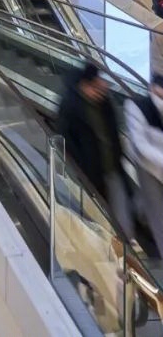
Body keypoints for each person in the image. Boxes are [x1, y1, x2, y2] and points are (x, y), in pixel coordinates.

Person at [57, 63, 134, 239]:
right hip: (90, 177)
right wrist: (80, 172)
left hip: (112, 170)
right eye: (97, 82)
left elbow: (113, 133)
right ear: (85, 85)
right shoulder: (69, 107)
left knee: (123, 220)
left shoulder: (104, 103)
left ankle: (126, 255)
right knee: (98, 222)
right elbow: (66, 144)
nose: (102, 85)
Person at [125, 70, 163, 256]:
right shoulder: (136, 106)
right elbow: (140, 145)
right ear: (153, 88)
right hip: (147, 167)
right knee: (158, 213)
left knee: (151, 207)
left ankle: (139, 208)